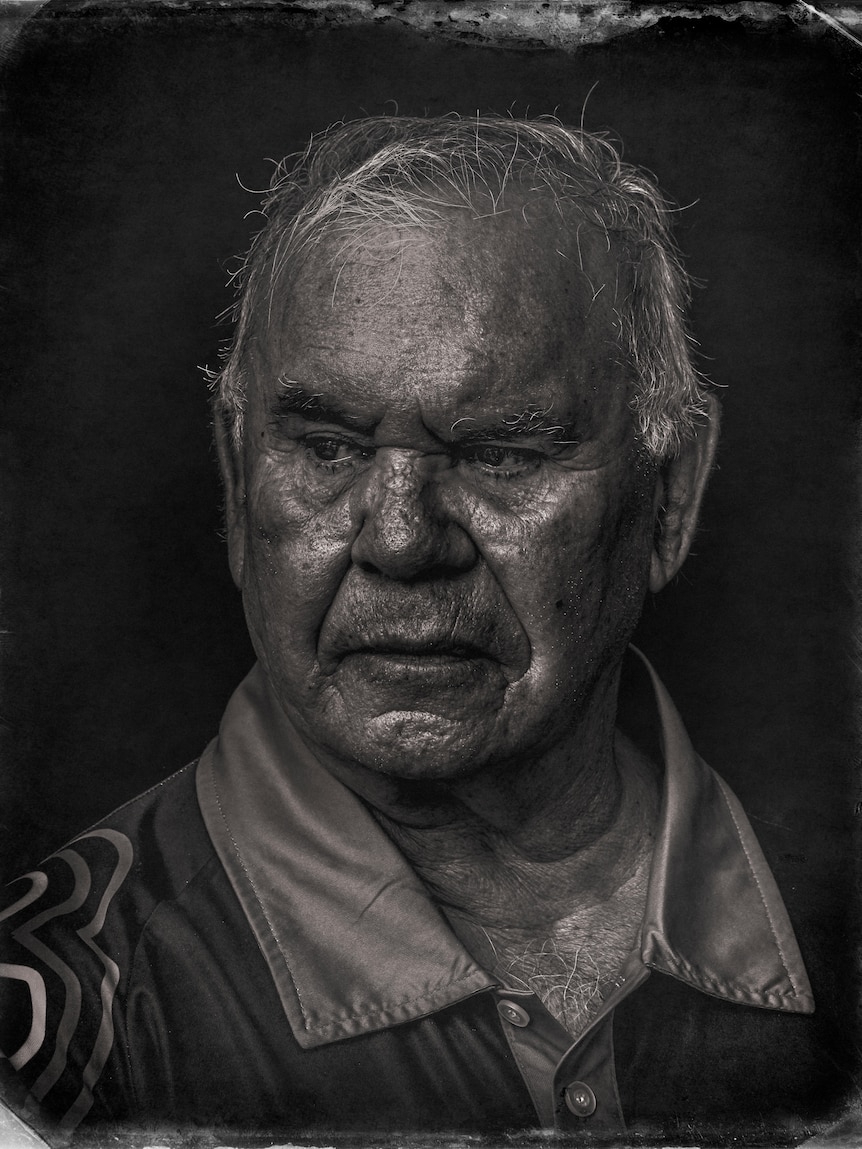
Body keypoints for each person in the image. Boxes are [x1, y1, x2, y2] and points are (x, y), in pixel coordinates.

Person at [0, 116, 829, 1142]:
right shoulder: (59, 1038)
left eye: (499, 454)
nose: (399, 538)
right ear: (232, 473)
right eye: (326, 447)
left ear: (669, 496)